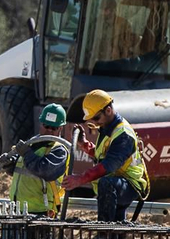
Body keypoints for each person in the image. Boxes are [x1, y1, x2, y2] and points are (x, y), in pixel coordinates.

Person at [64, 89, 149, 224]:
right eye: (92, 120)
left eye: (97, 118)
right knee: (118, 223)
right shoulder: (107, 129)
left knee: (106, 183)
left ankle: (104, 232)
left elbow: (109, 165)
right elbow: (103, 156)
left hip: (130, 184)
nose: (95, 123)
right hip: (118, 182)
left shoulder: (123, 134)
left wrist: (80, 179)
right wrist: (85, 145)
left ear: (108, 110)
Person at [7, 104, 70, 216]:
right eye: (46, 126)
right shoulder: (32, 143)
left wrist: (26, 153)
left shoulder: (59, 150)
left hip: (41, 211)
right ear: (41, 124)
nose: (49, 131)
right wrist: (10, 163)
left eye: (54, 128)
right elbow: (22, 169)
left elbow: (45, 170)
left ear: (60, 128)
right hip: (18, 210)